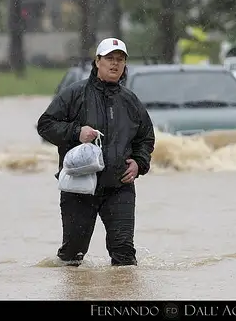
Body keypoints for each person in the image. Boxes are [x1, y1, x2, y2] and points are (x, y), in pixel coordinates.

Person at [37, 38, 155, 267]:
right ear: (97, 61)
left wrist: (139, 163)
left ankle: (123, 296)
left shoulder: (131, 101)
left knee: (124, 254)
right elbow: (45, 125)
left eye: (120, 60)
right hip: (78, 187)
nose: (115, 64)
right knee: (73, 254)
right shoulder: (74, 94)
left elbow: (146, 138)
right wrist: (76, 132)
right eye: (109, 58)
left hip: (119, 187)